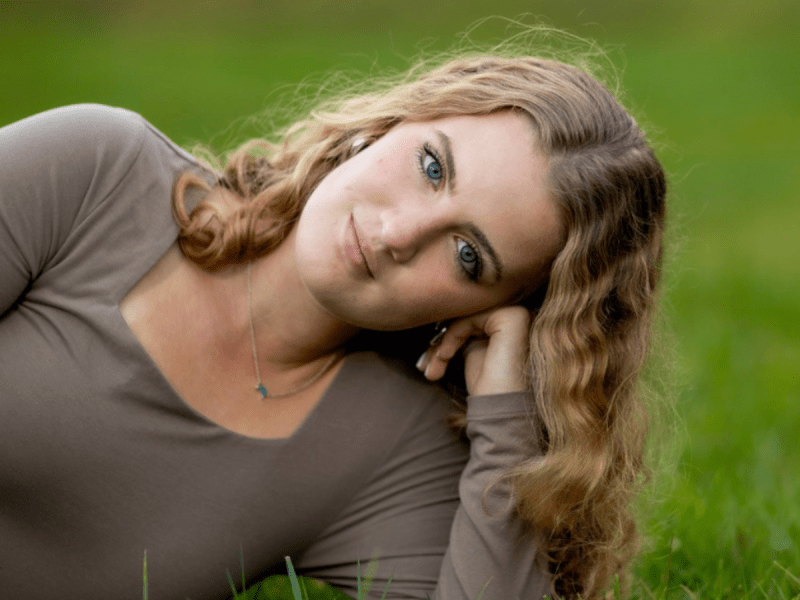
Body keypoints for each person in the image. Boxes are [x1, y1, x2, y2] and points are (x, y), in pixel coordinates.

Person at [0, 47, 666, 600]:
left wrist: (506, 420)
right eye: (431, 167)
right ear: (397, 122)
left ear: (492, 309)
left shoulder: (391, 448)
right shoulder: (96, 173)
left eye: (468, 255)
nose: (398, 233)